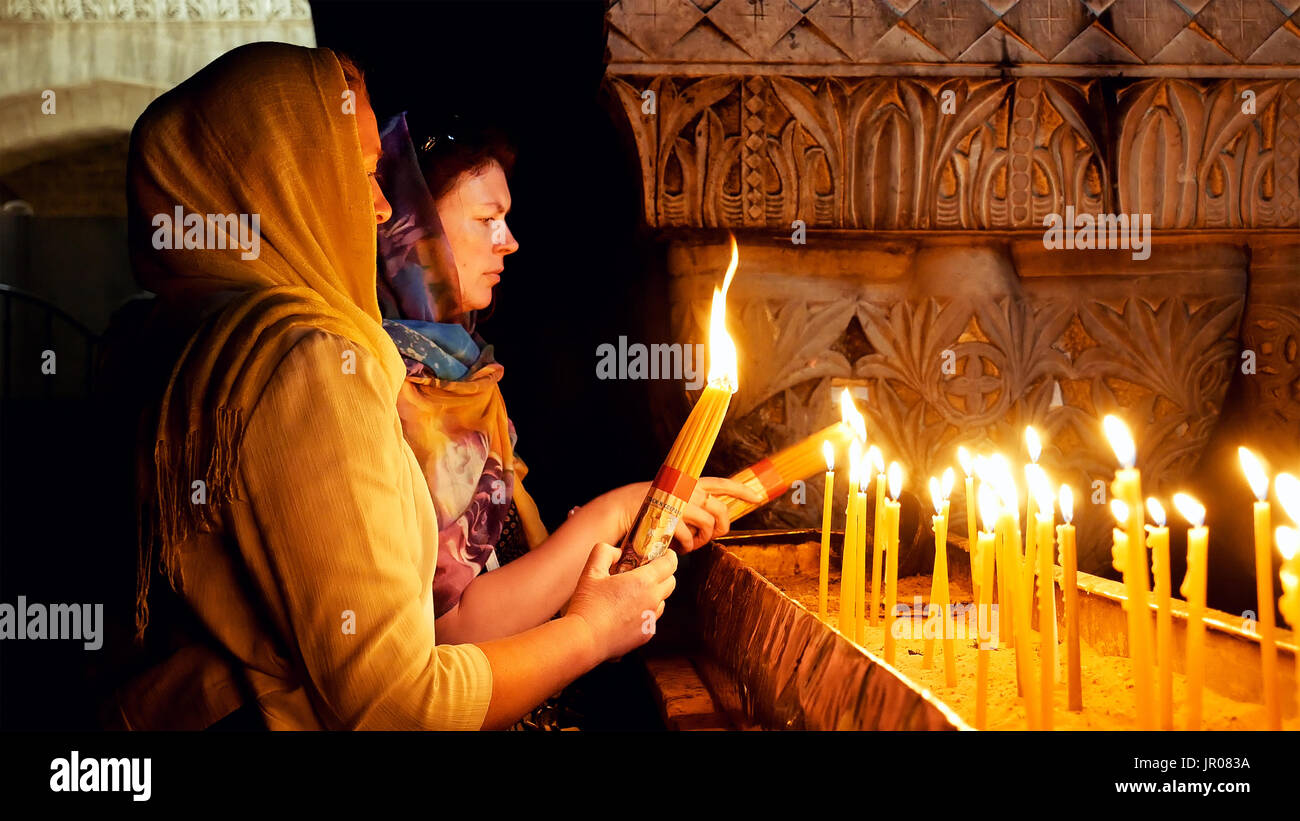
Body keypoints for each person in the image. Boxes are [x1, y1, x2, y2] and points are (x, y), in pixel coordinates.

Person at [107, 42, 682, 731]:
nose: (383, 210)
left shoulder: (186, 342)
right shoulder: (310, 361)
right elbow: (399, 704)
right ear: (283, 182)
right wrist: (592, 630)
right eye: (361, 173)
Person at [370, 110, 762, 645]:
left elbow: (501, 568)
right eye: (487, 219)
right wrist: (612, 513)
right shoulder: (375, 383)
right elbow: (452, 630)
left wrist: (633, 530)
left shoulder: (464, 373)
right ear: (412, 229)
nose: (508, 242)